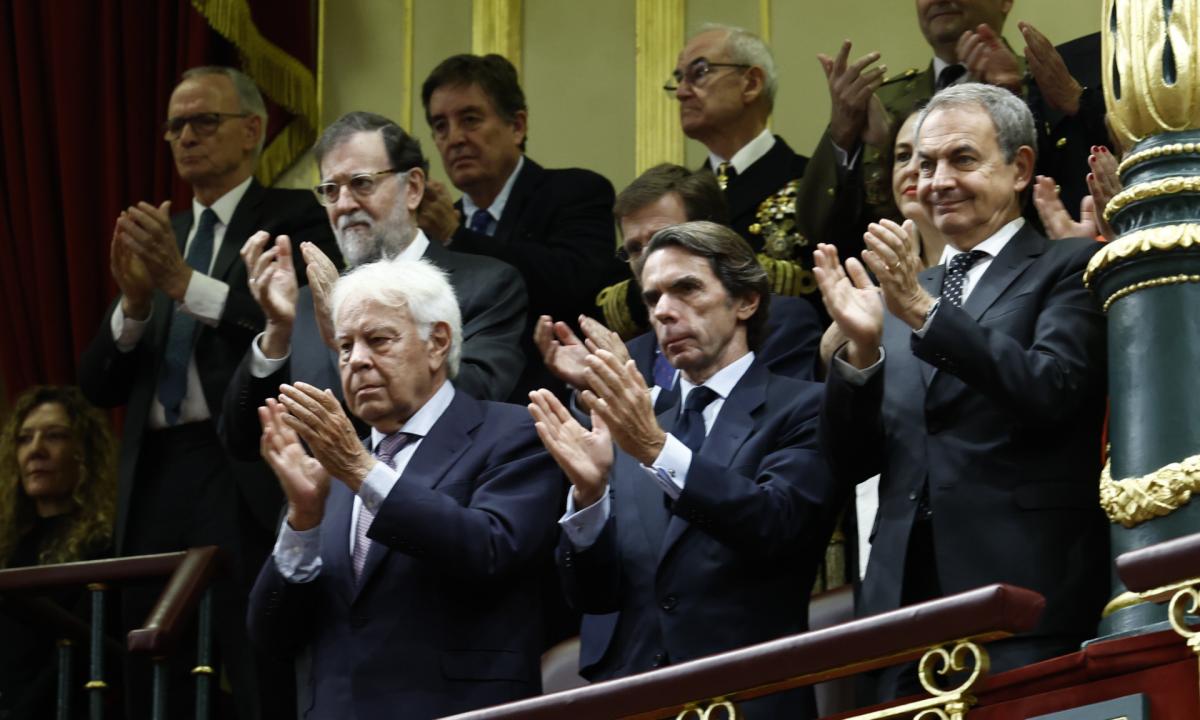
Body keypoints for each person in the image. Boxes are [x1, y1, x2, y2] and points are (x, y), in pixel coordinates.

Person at [815, 83, 1109, 699]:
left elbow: (1051, 388)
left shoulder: (1065, 266)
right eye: (924, 165)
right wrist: (863, 351)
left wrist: (922, 312)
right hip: (901, 610)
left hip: (1023, 596)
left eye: (962, 160)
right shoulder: (901, 291)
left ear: (1020, 168)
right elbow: (851, 463)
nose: (936, 181)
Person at [77, 66, 339, 720]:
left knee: (256, 660)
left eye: (204, 121)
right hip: (158, 471)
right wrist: (136, 302)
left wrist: (183, 282)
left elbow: (297, 327)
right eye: (175, 126)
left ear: (252, 131)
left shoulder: (293, 217)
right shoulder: (165, 231)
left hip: (244, 463)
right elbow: (97, 384)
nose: (186, 137)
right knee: (147, 652)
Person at [532, 221, 837, 718]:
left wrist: (656, 449)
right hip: (636, 700)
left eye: (687, 289)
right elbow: (593, 596)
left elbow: (777, 524)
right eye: (653, 300)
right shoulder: (635, 424)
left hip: (747, 699)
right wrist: (588, 499)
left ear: (746, 302)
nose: (666, 312)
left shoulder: (804, 405)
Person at [246, 258, 562, 720]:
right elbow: (271, 636)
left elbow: (491, 548)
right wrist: (303, 522)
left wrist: (361, 470)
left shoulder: (513, 433)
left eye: (377, 340)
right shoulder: (325, 471)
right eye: (345, 346)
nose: (356, 360)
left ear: (437, 343)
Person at [220, 111, 528, 461]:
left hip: (432, 503)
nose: (345, 204)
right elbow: (240, 442)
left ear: (412, 188)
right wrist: (276, 331)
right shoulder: (305, 304)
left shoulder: (487, 285)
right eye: (331, 190)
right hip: (324, 513)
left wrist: (344, 338)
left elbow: (471, 404)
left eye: (362, 183)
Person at [800, 2, 1110, 253]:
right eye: (905, 155)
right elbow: (818, 232)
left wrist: (1013, 97)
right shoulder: (883, 101)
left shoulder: (1051, 81)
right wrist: (844, 136)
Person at [417, 53, 625, 400]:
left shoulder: (577, 191)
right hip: (456, 412)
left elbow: (575, 285)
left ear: (517, 126)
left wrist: (457, 236)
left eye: (470, 120)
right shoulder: (433, 230)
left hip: (548, 406)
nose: (454, 138)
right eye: (441, 126)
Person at [549, 164, 822, 416]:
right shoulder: (631, 353)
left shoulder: (783, 322)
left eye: (661, 239)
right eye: (634, 248)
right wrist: (597, 391)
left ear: (712, 232)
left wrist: (631, 394)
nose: (647, 258)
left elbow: (768, 427)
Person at [0, 385, 117, 719]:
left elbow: (82, 655)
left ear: (85, 452)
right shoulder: (8, 547)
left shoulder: (104, 546)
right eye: (24, 439)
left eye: (54, 436)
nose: (35, 451)